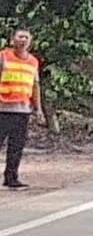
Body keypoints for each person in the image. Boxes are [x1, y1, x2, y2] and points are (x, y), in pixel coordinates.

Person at [1, 28, 46, 189]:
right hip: (3, 109)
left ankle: (11, 178)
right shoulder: (3, 56)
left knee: (16, 146)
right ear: (13, 39)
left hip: (22, 110)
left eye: (26, 37)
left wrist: (38, 109)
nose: (23, 40)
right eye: (20, 36)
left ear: (30, 41)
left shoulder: (33, 61)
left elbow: (35, 86)